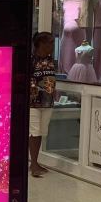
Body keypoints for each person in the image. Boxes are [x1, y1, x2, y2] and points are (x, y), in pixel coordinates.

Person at [29, 31, 57, 178]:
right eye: (50, 43)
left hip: (48, 101)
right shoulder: (31, 60)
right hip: (33, 103)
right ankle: (33, 164)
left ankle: (35, 161)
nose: (52, 46)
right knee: (34, 132)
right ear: (41, 44)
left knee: (41, 133)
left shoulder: (51, 60)